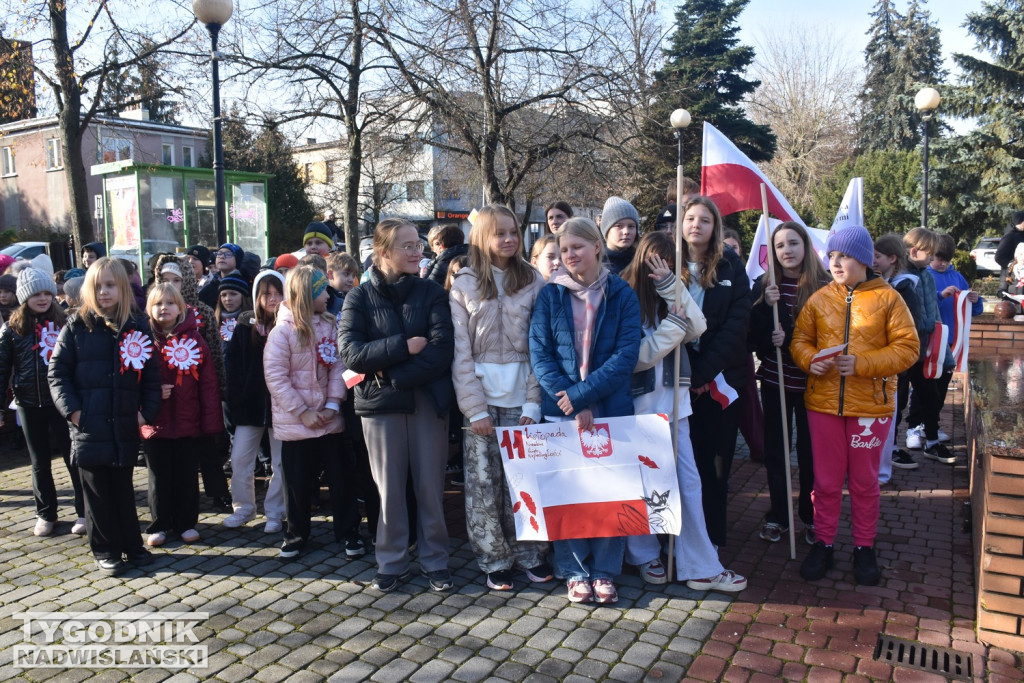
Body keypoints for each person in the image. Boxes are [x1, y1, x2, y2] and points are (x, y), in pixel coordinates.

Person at [791, 225, 919, 585]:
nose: (835, 262)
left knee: (864, 482)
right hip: (823, 405)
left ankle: (864, 547)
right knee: (827, 481)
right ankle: (824, 542)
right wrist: (809, 359)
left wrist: (862, 364)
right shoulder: (819, 299)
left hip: (870, 409)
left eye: (843, 256)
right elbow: (800, 340)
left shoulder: (889, 299)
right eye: (831, 256)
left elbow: (908, 349)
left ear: (863, 259)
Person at [622, 233, 747, 591]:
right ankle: (644, 554)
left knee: (689, 484)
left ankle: (699, 564)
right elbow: (636, 357)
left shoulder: (672, 296)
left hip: (675, 406)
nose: (659, 270)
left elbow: (698, 326)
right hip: (640, 407)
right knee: (644, 485)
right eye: (654, 263)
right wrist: (671, 328)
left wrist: (669, 286)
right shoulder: (625, 298)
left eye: (669, 265)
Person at [339, 218, 456, 593]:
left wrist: (392, 375)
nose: (416, 251)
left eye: (417, 245)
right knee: (388, 489)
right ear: (383, 251)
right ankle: (391, 561)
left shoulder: (431, 292)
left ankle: (435, 560)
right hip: (379, 408)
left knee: (428, 487)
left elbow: (440, 350)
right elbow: (352, 354)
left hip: (425, 400)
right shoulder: (359, 296)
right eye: (406, 245)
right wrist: (403, 347)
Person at [529, 217, 641, 604]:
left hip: (609, 407)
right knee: (569, 493)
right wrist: (571, 400)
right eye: (563, 250)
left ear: (597, 247)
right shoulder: (549, 295)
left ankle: (606, 570)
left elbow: (626, 356)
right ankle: (575, 570)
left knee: (611, 492)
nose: (569, 255)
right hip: (560, 410)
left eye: (577, 247)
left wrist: (584, 398)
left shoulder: (622, 294)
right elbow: (539, 354)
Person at [449, 205, 550, 591]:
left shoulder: (533, 281)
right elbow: (460, 353)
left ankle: (530, 553)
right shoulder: (465, 284)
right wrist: (474, 408)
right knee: (483, 485)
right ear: (481, 237)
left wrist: (533, 402)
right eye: (499, 233)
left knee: (523, 482)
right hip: (482, 404)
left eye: (513, 232)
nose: (508, 239)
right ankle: (494, 557)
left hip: (523, 400)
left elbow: (541, 350)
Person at [48, 258, 162, 576]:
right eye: (97, 286)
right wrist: (74, 412)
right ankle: (105, 549)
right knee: (97, 493)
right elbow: (57, 373)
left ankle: (131, 545)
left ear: (122, 288)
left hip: (124, 423)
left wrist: (144, 414)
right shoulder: (76, 325)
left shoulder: (137, 325)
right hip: (89, 425)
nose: (104, 292)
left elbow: (151, 377)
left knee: (123, 489)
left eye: (110, 285)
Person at [749, 222, 829, 544]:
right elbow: (752, 339)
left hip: (813, 385)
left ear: (805, 246)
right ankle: (779, 515)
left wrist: (792, 337)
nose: (787, 251)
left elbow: (831, 335)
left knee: (810, 453)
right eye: (780, 246)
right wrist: (765, 308)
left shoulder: (824, 286)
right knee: (777, 451)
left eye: (793, 243)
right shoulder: (765, 285)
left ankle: (811, 516)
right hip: (775, 381)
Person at [680, 197, 751, 549]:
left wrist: (702, 375)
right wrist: (686, 375)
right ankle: (677, 540)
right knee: (681, 464)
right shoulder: (665, 263)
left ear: (715, 226)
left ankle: (711, 541)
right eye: (690, 218)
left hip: (718, 383)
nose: (696, 224)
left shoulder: (731, 267)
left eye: (704, 219)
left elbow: (736, 327)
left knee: (714, 466)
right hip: (676, 381)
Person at [264, 266, 349, 559]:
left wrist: (332, 404)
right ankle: (296, 534)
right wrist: (302, 412)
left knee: (341, 479)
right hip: (297, 423)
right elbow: (276, 377)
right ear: (307, 295)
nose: (328, 295)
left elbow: (339, 366)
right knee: (297, 484)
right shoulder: (282, 332)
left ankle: (348, 531)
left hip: (329, 419)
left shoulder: (330, 325)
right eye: (322, 290)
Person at [0, 266, 85, 536]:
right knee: (39, 462)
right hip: (28, 402)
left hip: (61, 402)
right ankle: (46, 513)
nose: (44, 298)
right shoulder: (11, 329)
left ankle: (84, 512)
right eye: (37, 293)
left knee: (73, 457)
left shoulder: (64, 323)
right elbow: (2, 369)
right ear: (25, 297)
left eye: (48, 292)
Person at [142, 284, 223, 547]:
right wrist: (152, 393)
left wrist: (210, 422)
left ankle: (186, 522)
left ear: (181, 308)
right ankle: (160, 524)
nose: (163, 308)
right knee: (158, 476)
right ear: (149, 309)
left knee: (187, 475)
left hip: (189, 422)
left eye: (169, 303)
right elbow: (133, 379)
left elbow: (208, 383)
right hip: (156, 423)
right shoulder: (142, 341)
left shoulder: (195, 340)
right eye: (157, 304)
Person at [223, 270, 287, 533]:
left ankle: (275, 511)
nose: (272, 299)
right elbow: (233, 367)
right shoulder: (245, 325)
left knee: (281, 462)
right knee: (240, 459)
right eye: (266, 294)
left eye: (277, 293)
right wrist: (236, 402)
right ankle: (244, 507)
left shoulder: (290, 324)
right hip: (250, 407)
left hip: (281, 406)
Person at [901, 227, 950, 464]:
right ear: (914, 251)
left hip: (925, 349)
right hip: (903, 351)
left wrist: (937, 336)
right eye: (929, 253)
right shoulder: (903, 277)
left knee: (930, 397)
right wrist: (926, 325)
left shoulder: (926, 275)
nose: (932, 258)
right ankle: (891, 445)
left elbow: (933, 309)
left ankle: (931, 441)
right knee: (898, 401)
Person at [928, 232, 983, 410]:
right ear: (930, 254)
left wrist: (975, 300)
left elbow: (972, 310)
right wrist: (940, 296)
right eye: (939, 258)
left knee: (943, 383)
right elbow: (921, 304)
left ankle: (933, 423)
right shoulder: (925, 276)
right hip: (931, 338)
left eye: (947, 259)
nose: (943, 263)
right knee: (927, 383)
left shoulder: (958, 277)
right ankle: (918, 424)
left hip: (951, 340)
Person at [199, 243, 246, 309]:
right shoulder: (209, 289)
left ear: (237, 260)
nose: (222, 257)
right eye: (219, 253)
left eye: (228, 254)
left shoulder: (245, 286)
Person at [600, 196, 640, 275]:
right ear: (607, 230)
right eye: (619, 226)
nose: (626, 232)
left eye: (631, 226)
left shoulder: (641, 261)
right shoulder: (596, 265)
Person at [215, 270, 251, 352]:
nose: (228, 299)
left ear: (243, 296)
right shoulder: (213, 322)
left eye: (233, 294)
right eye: (223, 295)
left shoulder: (252, 322)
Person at [994, 211, 1024, 289]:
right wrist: (1013, 265)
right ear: (1021, 222)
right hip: (1011, 280)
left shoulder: (1021, 235)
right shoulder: (1009, 236)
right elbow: (999, 257)